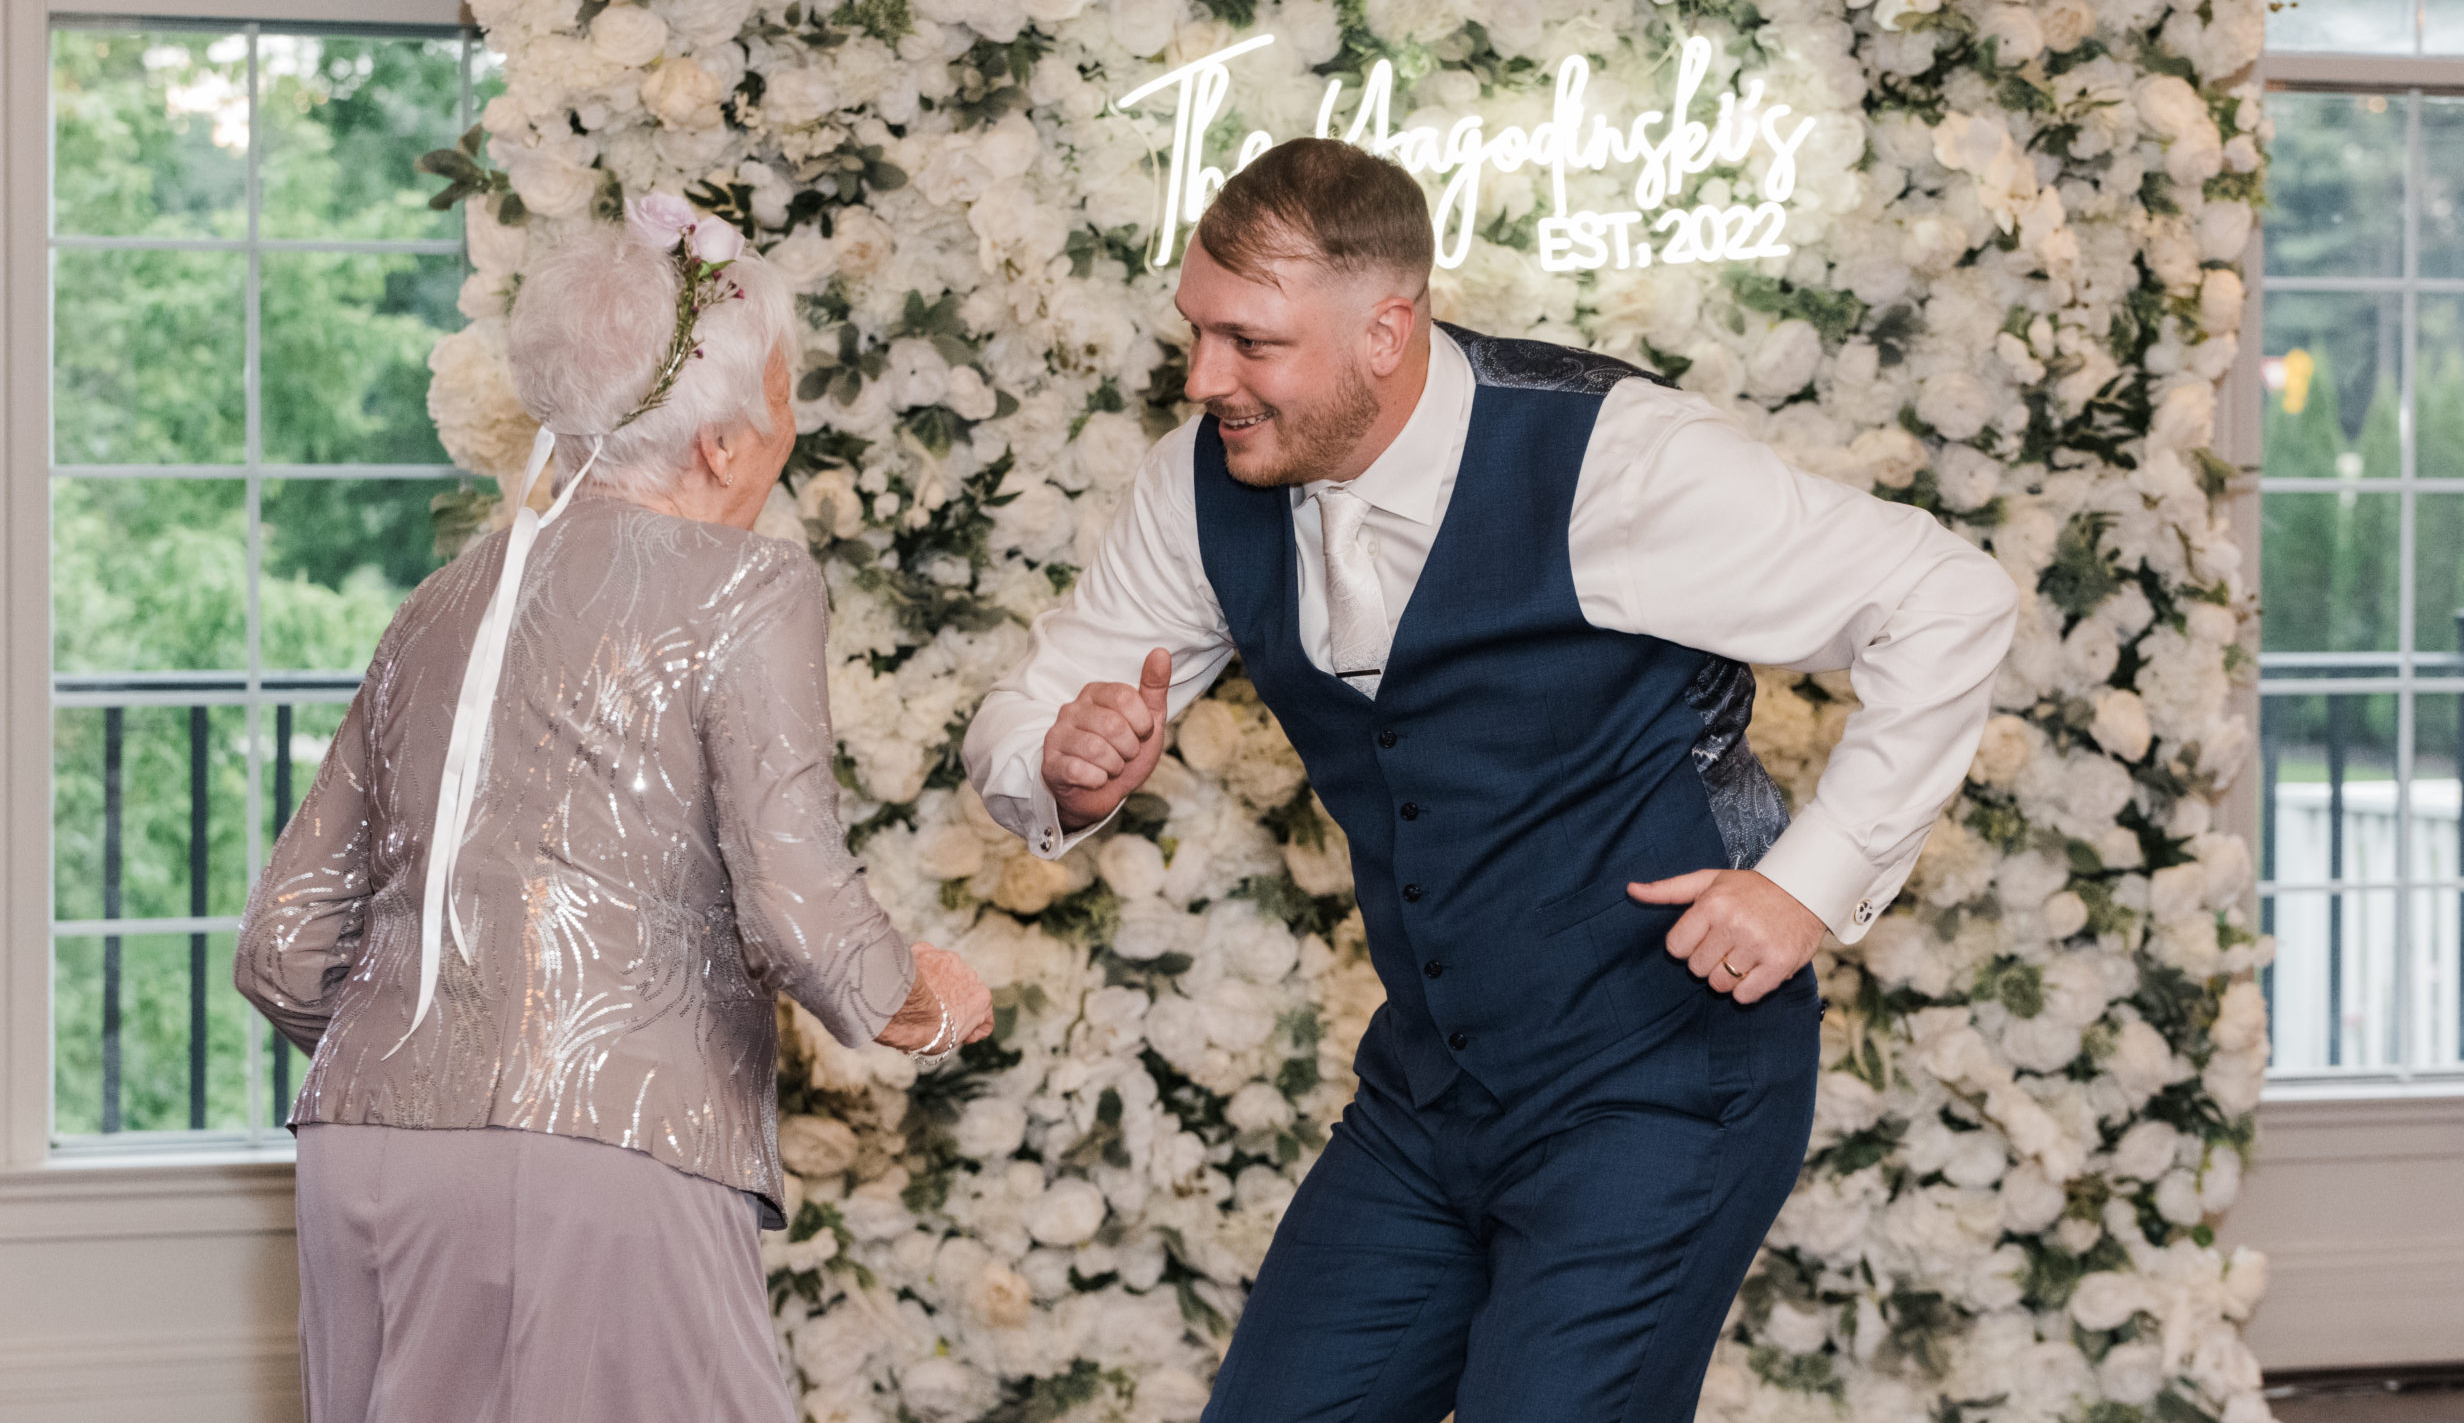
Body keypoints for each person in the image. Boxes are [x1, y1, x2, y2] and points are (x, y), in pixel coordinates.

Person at [961, 138, 2019, 1421]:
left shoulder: (1615, 464)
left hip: (1658, 1086)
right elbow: (1037, 705)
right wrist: (1062, 769)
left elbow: (1942, 598)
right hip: (1423, 1098)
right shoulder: (1199, 485)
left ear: (1385, 331)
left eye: (1250, 343)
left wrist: (1807, 885)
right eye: (1196, 333)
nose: (1203, 380)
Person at [236, 198, 994, 1423]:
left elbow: (282, 945)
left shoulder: (436, 604)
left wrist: (440, 1052)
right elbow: (800, 912)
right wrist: (925, 1005)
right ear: (720, 444)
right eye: (786, 396)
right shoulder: (747, 585)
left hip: (358, 1152)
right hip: (604, 1151)